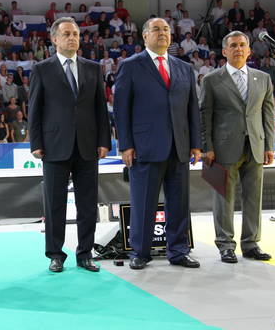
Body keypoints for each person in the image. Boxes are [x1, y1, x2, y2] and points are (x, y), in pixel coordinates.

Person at [114, 17, 202, 270]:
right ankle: (140, 252)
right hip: (145, 146)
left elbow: (192, 108)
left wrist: (195, 144)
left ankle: (179, 251)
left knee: (179, 203)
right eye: (156, 29)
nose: (162, 33)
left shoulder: (184, 67)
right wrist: (125, 145)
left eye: (166, 29)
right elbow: (121, 109)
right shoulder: (130, 66)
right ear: (145, 36)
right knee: (143, 203)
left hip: (179, 146)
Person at [29, 17, 111, 273]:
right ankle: (55, 254)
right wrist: (36, 142)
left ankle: (85, 253)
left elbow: (100, 108)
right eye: (66, 34)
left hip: (88, 145)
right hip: (54, 145)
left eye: (75, 34)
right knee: (54, 204)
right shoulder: (42, 69)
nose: (72, 38)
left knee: (87, 204)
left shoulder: (93, 68)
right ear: (54, 39)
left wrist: (104, 141)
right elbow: (35, 109)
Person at [200, 30, 275, 264]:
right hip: (222, 148)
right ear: (224, 51)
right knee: (223, 198)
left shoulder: (263, 78)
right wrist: (206, 147)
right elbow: (204, 116)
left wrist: (269, 145)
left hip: (255, 145)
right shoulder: (211, 79)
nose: (238, 49)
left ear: (249, 50)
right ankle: (225, 245)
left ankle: (251, 244)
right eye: (233, 45)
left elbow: (268, 114)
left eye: (242, 45)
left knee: (254, 197)